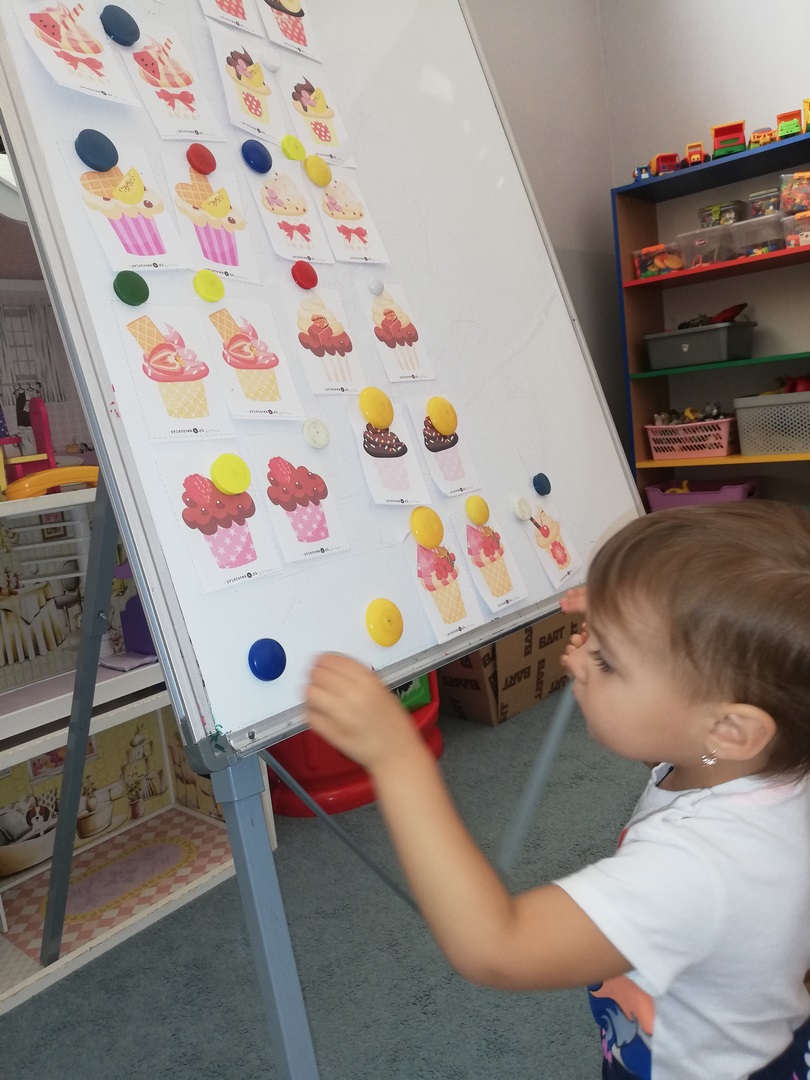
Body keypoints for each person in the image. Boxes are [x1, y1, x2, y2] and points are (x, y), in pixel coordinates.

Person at [305, 501, 810, 1079]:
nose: (580, 658)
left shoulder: (696, 869)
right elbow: (679, 743)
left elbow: (497, 946)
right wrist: (630, 620)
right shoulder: (749, 759)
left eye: (608, 661)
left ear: (730, 729)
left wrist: (397, 759)